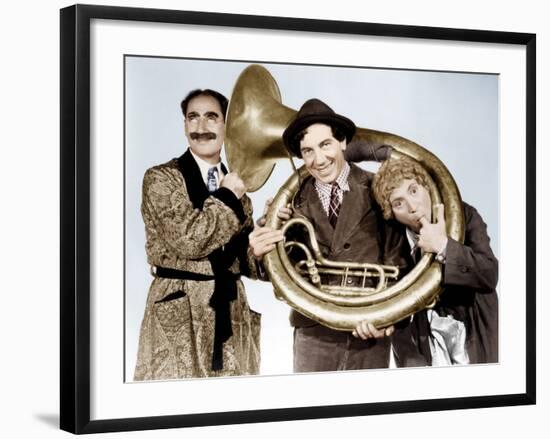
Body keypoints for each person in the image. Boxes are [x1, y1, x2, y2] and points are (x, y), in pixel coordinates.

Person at [249, 98, 407, 372]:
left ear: (343, 142)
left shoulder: (378, 187)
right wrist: (262, 252)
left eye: (325, 145)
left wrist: (390, 317)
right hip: (313, 333)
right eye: (307, 151)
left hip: (367, 328)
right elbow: (277, 274)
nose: (318, 160)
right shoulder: (290, 203)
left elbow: (399, 261)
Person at [134, 89, 261, 380]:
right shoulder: (160, 178)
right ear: (184, 125)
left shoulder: (238, 188)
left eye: (211, 117)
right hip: (179, 312)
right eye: (193, 117)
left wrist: (264, 246)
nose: (201, 127)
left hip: (230, 312)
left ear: (228, 126)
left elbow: (244, 262)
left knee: (232, 412)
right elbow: (190, 240)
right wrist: (229, 196)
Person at [351, 153, 498, 366]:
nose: (412, 207)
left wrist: (443, 245)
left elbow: (489, 274)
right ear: (391, 213)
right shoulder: (392, 241)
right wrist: (379, 321)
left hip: (473, 336)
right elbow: (391, 298)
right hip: (421, 346)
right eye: (398, 203)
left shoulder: (465, 215)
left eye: (413, 190)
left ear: (426, 186)